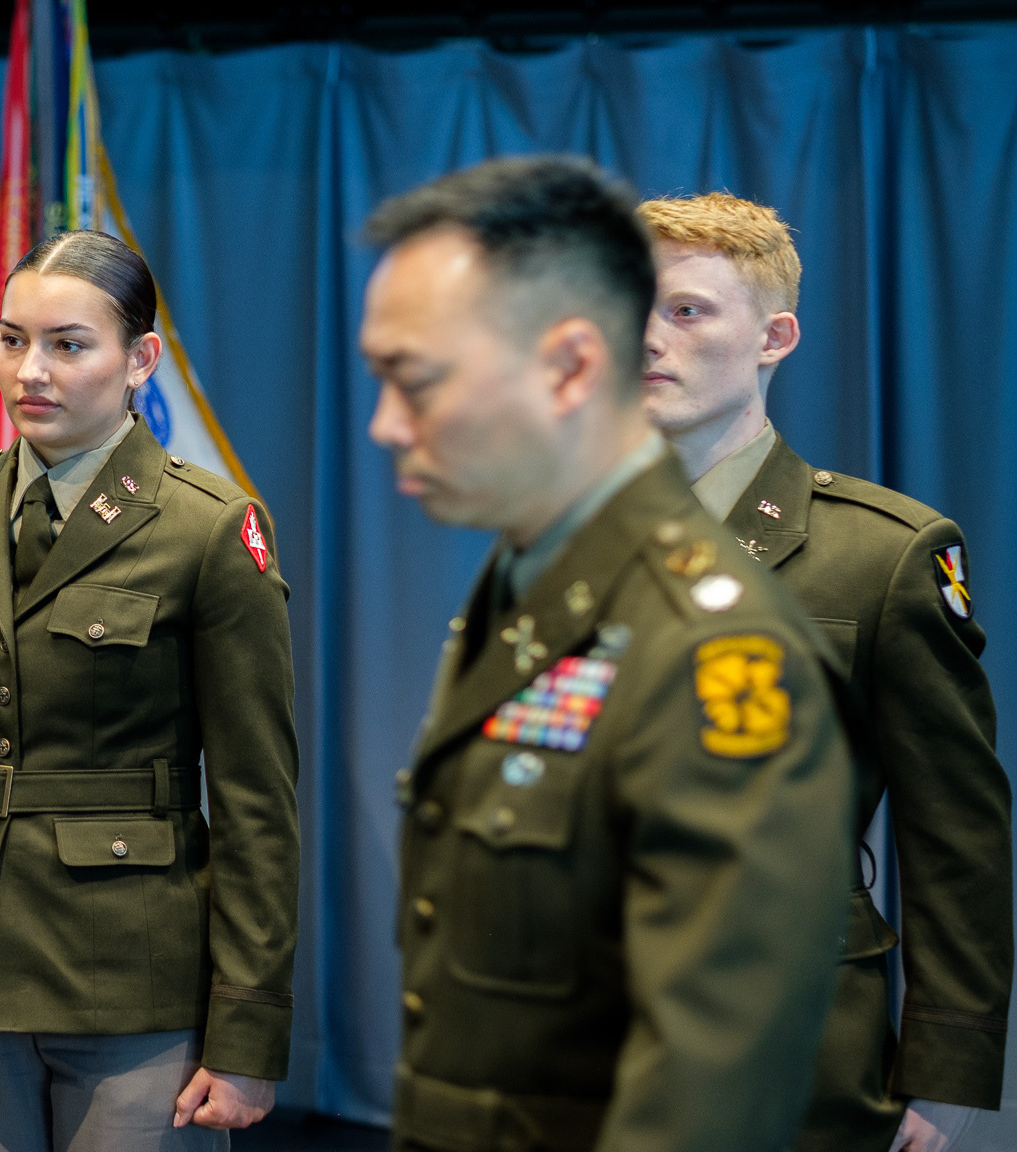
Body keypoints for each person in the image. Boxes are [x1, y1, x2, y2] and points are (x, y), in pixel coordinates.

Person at [360, 156, 859, 1152]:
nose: (383, 425)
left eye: (415, 381)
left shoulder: (708, 643)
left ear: (570, 367)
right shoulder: (526, 582)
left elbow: (702, 1089)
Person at [0, 229, 300, 1152]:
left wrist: (248, 1028)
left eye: (69, 344)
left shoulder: (210, 528)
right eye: (14, 339)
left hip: (130, 976)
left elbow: (260, 805)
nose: (32, 371)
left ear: (140, 360)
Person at [638, 191, 1012, 1152]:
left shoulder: (880, 554)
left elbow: (958, 838)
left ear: (775, 338)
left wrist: (949, 1069)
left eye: (684, 310)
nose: (647, 337)